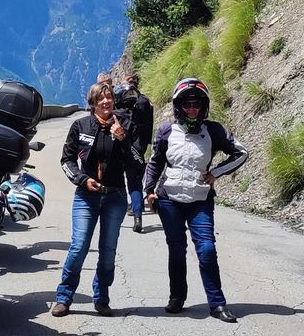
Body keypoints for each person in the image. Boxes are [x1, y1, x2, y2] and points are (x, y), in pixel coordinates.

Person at [142, 78, 248, 322]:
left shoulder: (213, 130)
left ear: (203, 106)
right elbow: (156, 161)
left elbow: (241, 153)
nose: (192, 109)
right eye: (187, 104)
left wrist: (216, 173)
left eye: (196, 104)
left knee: (207, 248)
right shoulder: (166, 130)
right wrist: (149, 190)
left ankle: (217, 304)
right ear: (179, 106)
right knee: (177, 250)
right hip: (170, 200)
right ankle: (177, 297)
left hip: (200, 200)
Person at [53, 81, 143, 317]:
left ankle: (102, 297)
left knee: (108, 250)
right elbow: (67, 160)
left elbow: (137, 165)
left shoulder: (126, 126)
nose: (106, 101)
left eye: (109, 97)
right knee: (79, 246)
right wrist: (83, 180)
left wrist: (122, 139)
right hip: (86, 195)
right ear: (92, 104)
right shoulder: (80, 125)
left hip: (115, 195)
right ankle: (64, 297)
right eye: (101, 99)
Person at [113, 73, 154, 233]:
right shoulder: (145, 102)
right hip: (138, 149)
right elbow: (150, 123)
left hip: (118, 152)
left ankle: (113, 216)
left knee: (115, 184)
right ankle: (138, 215)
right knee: (135, 184)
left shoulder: (116, 114)